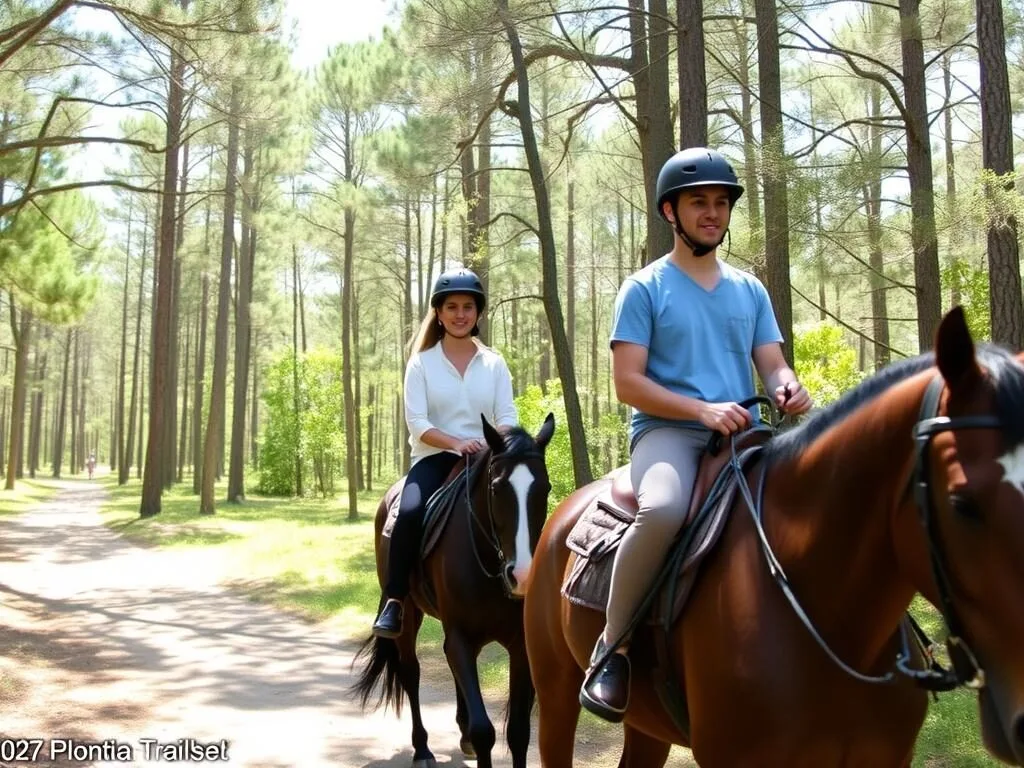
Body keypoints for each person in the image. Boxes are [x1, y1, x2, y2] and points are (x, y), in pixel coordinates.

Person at [579, 147, 814, 722]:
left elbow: (772, 364)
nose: (712, 212)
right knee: (661, 510)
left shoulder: (750, 290)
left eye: (720, 202)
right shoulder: (644, 289)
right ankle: (611, 647)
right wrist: (702, 411)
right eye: (698, 202)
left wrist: (789, 387)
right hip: (669, 435)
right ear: (670, 212)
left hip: (748, 435)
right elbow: (628, 384)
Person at [371, 267, 519, 639]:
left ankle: (525, 585)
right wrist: (456, 443)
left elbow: (508, 417)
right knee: (407, 511)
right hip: (435, 458)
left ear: (478, 313)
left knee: (521, 503)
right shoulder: (422, 364)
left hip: (486, 460)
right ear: (438, 313)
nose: (460, 314)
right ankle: (394, 600)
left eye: (468, 306)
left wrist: (492, 444)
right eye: (451, 306)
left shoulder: (494, 363)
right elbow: (418, 423)